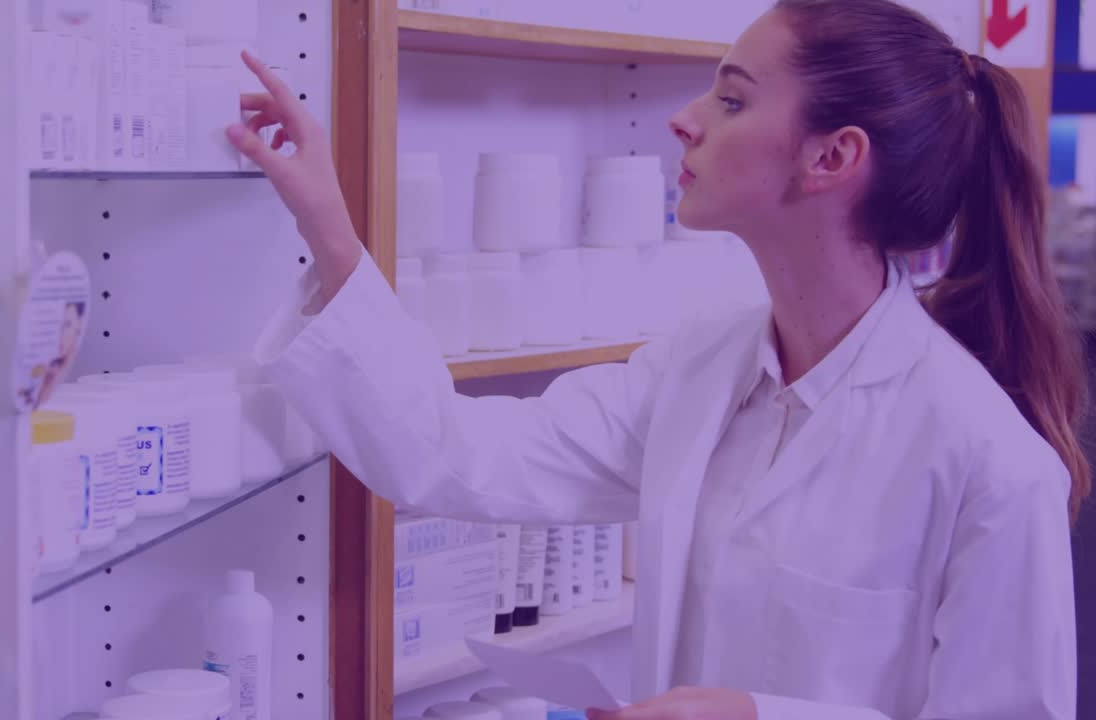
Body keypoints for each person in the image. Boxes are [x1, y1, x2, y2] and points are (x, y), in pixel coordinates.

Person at [229, 0, 1090, 717]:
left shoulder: (990, 465)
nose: (685, 120)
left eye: (733, 101)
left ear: (832, 158)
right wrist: (332, 234)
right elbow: (453, 452)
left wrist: (761, 718)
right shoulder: (701, 371)